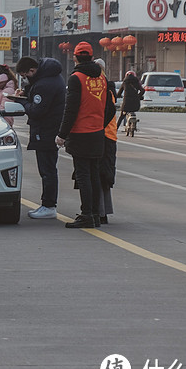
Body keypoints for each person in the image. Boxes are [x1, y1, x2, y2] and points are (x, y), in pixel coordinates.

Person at [56, 42, 108, 229]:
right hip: (97, 132)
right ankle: (94, 214)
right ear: (92, 57)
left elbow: (70, 110)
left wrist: (62, 134)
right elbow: (108, 105)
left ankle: (86, 214)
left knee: (83, 175)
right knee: (93, 174)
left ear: (75, 57)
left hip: (81, 133)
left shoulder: (76, 78)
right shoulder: (101, 77)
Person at [13, 56, 67, 220]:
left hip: (46, 130)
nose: (25, 78)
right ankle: (48, 204)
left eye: (25, 75)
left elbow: (37, 110)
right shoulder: (49, 77)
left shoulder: (45, 84)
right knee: (48, 169)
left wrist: (21, 102)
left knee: (47, 170)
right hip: (50, 128)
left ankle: (49, 205)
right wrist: (27, 93)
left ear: (32, 70)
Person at [94, 60, 119, 224]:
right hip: (108, 135)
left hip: (102, 135)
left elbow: (105, 112)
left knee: (98, 175)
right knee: (103, 175)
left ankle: (100, 211)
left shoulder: (101, 88)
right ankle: (102, 211)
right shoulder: (107, 87)